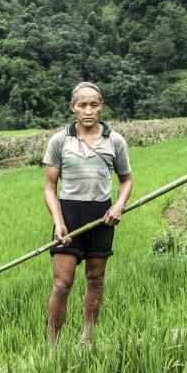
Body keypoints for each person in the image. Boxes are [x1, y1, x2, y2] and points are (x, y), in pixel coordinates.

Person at [43, 81, 132, 348]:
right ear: (72, 108)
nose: (88, 111)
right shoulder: (60, 140)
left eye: (94, 105)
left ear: (101, 107)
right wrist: (59, 223)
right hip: (69, 215)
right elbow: (50, 186)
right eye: (82, 105)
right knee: (61, 284)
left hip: (101, 214)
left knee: (96, 278)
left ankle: (88, 339)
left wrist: (118, 206)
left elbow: (126, 180)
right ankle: (53, 347)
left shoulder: (115, 140)